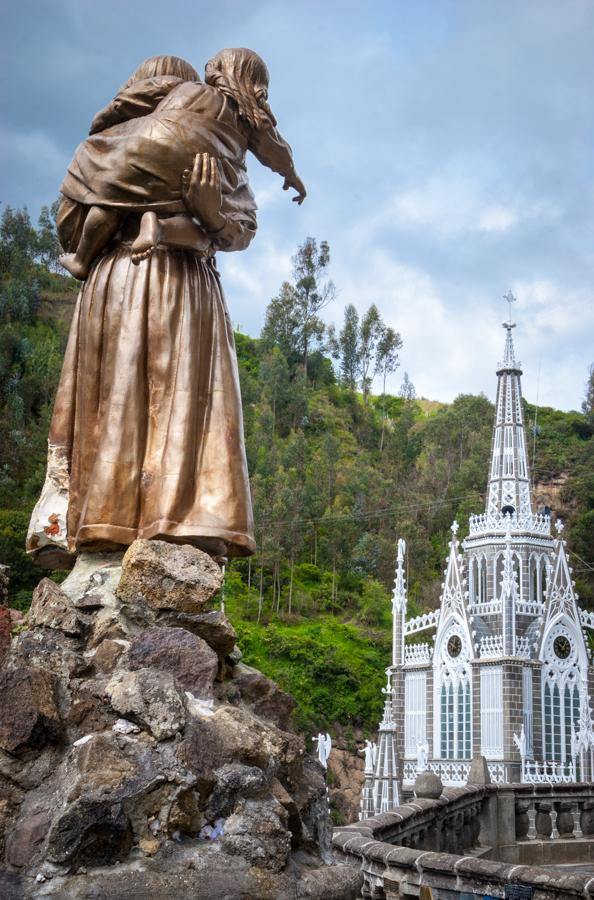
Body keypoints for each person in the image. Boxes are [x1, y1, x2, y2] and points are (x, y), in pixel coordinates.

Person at [27, 51, 305, 565]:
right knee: (119, 397)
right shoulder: (132, 145)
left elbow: (240, 227)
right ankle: (105, 521)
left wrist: (209, 214)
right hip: (128, 283)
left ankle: (179, 522)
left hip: (173, 281)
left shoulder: (124, 152)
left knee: (179, 400)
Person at [58, 49, 306, 279]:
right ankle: (160, 227)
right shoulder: (249, 116)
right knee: (229, 225)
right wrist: (292, 175)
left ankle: (82, 258)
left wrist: (105, 118)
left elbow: (142, 94)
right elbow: (276, 150)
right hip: (204, 162)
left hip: (149, 141)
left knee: (112, 198)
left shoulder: (183, 86)